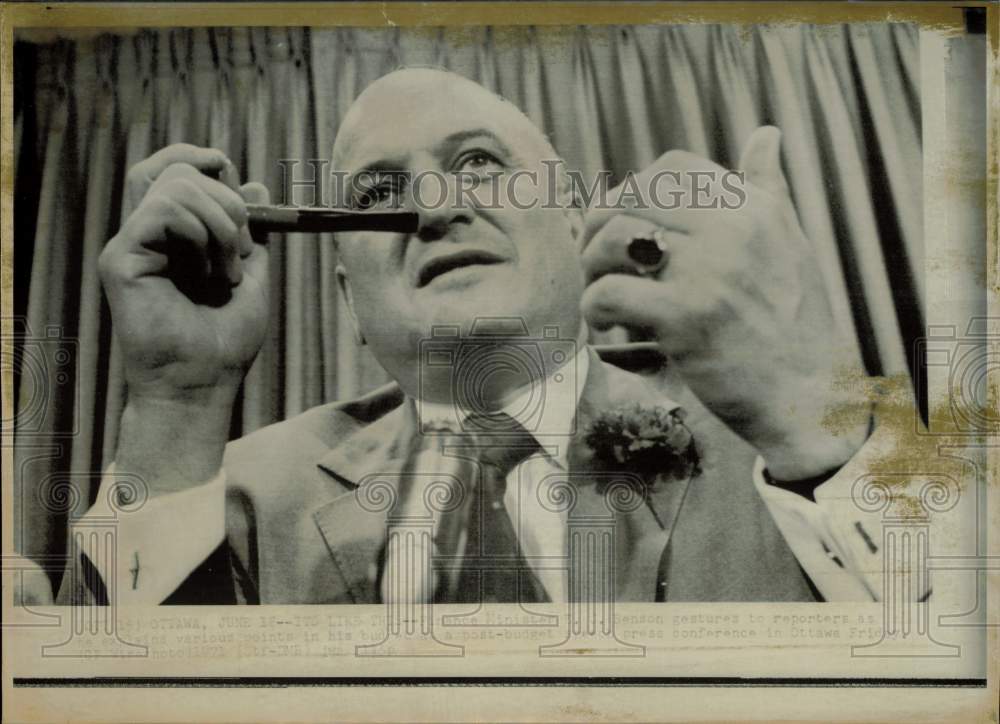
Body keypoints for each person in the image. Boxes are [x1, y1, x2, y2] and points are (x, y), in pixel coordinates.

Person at [59, 67, 905, 606]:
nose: (435, 207)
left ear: (574, 215)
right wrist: (176, 401)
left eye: (479, 164)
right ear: (348, 295)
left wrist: (809, 416)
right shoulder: (233, 494)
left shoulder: (775, 431)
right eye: (378, 190)